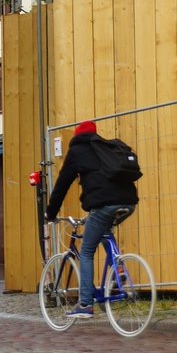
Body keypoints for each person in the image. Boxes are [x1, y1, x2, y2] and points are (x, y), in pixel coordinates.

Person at [44, 120, 139, 319]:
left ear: (76, 136)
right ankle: (118, 268)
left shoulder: (77, 151)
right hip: (129, 202)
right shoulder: (103, 147)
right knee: (104, 230)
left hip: (104, 204)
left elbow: (62, 184)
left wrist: (50, 213)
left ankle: (85, 303)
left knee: (86, 251)